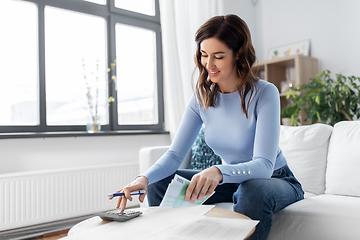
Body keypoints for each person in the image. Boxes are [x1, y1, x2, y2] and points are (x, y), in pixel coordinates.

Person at [109, 14, 304, 240]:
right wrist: (143, 178)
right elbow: (174, 155)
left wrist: (219, 171)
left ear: (238, 55)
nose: (208, 64)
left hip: (274, 180)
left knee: (251, 191)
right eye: (204, 55)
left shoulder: (264, 93)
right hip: (232, 181)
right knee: (161, 181)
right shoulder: (201, 99)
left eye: (218, 56)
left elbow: (264, 165)